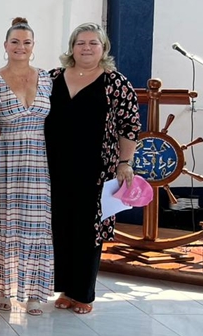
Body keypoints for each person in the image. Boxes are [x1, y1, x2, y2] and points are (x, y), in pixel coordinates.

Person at [45, 22, 140, 315]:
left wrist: (125, 163)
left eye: (93, 43)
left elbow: (130, 126)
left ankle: (83, 293)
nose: (86, 48)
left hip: (98, 169)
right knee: (59, 226)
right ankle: (64, 289)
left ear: (103, 48)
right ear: (71, 48)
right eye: (80, 43)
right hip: (54, 166)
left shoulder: (116, 82)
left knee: (88, 229)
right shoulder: (52, 78)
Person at [0, 18, 54, 316]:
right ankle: (1, 288)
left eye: (26, 42)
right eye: (15, 42)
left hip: (39, 160)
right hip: (4, 158)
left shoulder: (49, 79)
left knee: (37, 226)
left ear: (33, 46)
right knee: (3, 222)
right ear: (5, 46)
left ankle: (34, 293)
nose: (21, 47)